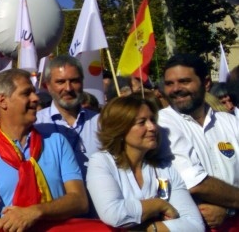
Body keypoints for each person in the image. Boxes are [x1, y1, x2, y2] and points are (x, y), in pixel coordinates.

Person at [0, 69, 88, 231]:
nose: (36, 98)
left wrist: (35, 211)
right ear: (3, 101)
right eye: (26, 93)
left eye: (34, 92)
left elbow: (79, 200)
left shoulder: (56, 141)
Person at [87, 95, 204, 231]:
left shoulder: (164, 167)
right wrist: (159, 205)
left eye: (153, 120)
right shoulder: (101, 162)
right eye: (142, 122)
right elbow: (113, 214)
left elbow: (195, 226)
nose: (152, 127)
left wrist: (151, 228)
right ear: (120, 128)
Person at [158, 54, 239, 229]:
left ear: (206, 83)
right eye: (169, 84)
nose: (176, 89)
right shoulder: (161, 123)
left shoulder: (230, 122)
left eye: (184, 81)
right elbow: (194, 183)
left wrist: (228, 209)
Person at [35, 55, 100, 179]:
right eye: (60, 82)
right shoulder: (37, 124)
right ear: (47, 85)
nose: (68, 88)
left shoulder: (101, 122)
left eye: (74, 81)